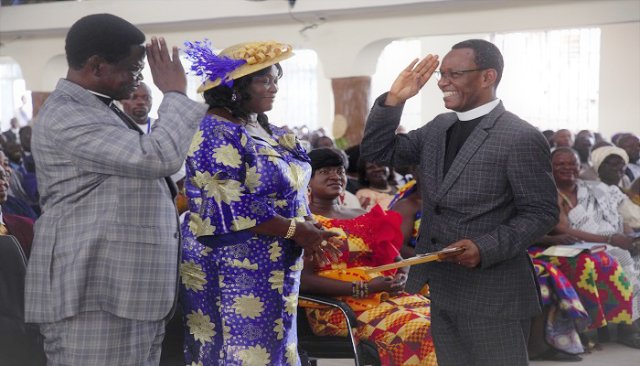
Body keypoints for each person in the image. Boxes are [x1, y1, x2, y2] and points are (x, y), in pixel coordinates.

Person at [23, 14, 209, 365]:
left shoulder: (98, 108)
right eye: (133, 69)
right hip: (92, 292)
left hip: (125, 292)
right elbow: (157, 156)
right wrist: (173, 92)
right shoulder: (67, 114)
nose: (139, 79)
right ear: (96, 66)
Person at [360, 39, 559, 365]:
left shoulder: (519, 136)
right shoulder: (440, 127)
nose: (441, 82)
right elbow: (378, 152)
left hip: (493, 291)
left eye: (455, 74)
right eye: (442, 73)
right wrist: (395, 100)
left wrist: (485, 247)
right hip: (443, 285)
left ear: (487, 77)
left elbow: (542, 211)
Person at [179, 40, 340, 365]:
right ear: (235, 88)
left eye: (276, 78)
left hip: (277, 265)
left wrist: (310, 229)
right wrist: (297, 230)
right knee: (240, 352)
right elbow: (227, 204)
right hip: (234, 267)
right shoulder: (214, 132)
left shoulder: (269, 130)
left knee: (277, 350)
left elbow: (294, 186)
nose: (275, 87)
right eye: (264, 80)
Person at [301, 148, 437, 366]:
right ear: (306, 178)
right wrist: (363, 288)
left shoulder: (365, 217)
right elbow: (303, 281)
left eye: (339, 170)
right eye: (325, 171)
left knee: (447, 324)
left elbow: (399, 260)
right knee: (422, 330)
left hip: (386, 297)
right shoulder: (305, 224)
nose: (335, 176)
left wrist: (402, 276)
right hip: (336, 308)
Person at [547, 147, 640, 349]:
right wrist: (611, 239)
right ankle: (629, 326)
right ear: (550, 168)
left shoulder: (595, 189)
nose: (567, 168)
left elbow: (616, 217)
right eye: (560, 164)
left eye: (572, 163)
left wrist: (628, 235)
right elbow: (563, 228)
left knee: (633, 256)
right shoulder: (550, 193)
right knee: (620, 257)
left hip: (605, 241)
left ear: (580, 167)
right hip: (572, 246)